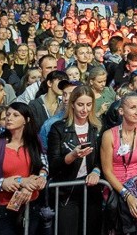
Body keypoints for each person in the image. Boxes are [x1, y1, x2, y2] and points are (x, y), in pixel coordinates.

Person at [0, 102, 48, 235]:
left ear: (26, 120)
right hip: (4, 207)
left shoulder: (34, 140)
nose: (9, 118)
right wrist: (17, 182)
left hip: (31, 204)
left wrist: (42, 177)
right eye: (8, 115)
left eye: (15, 115)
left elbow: (43, 164)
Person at [47, 85, 102, 235]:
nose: (85, 109)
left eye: (89, 105)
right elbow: (53, 165)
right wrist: (72, 156)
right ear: (72, 104)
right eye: (80, 104)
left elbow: (100, 159)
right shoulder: (58, 128)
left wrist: (96, 171)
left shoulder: (96, 128)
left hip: (91, 191)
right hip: (66, 191)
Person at [100, 91, 137, 235]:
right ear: (121, 111)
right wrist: (127, 195)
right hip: (116, 190)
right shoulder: (109, 135)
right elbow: (107, 171)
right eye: (133, 108)